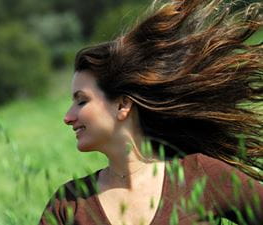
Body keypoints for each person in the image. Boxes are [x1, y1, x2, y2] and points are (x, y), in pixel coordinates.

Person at [39, 0, 263, 224]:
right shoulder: (67, 205)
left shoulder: (200, 174)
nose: (67, 117)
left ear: (122, 105)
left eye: (81, 101)